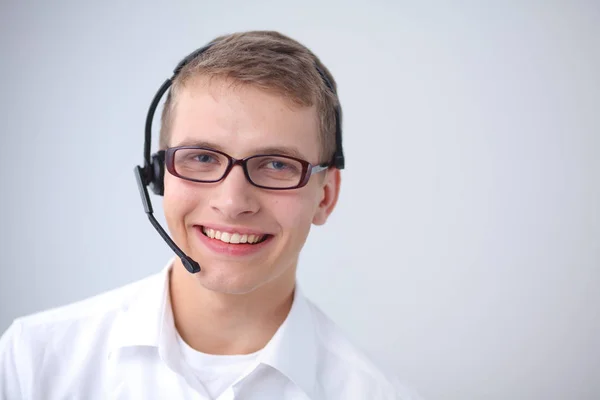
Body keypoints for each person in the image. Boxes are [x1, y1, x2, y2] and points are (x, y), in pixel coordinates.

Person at [0, 31, 419, 399]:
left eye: (276, 165)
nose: (233, 201)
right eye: (201, 157)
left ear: (325, 196)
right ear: (157, 176)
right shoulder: (32, 362)